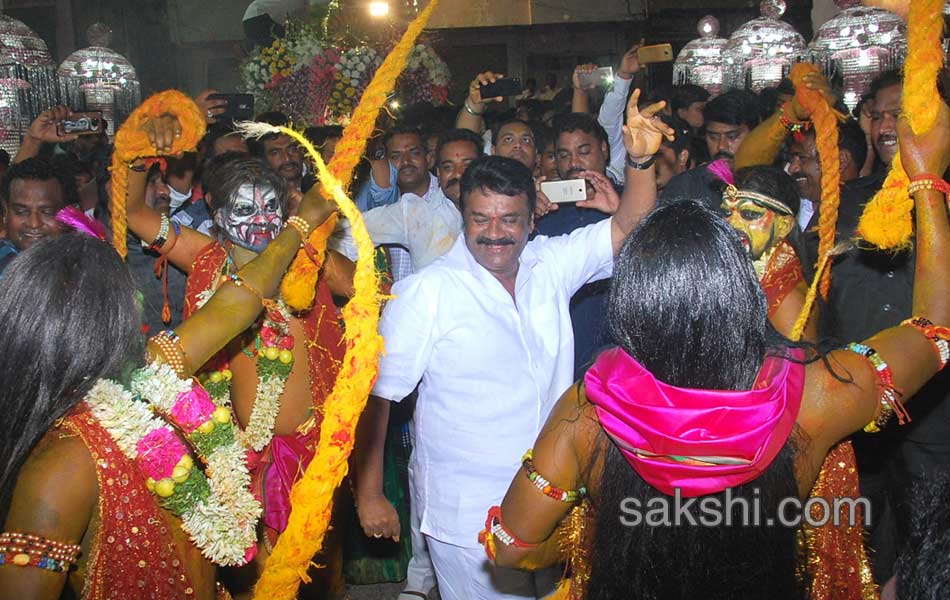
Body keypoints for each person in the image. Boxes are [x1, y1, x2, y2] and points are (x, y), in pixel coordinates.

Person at [483, 91, 950, 600]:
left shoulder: (589, 409)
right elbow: (936, 331)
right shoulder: (812, 399)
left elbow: (510, 546)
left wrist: (596, 535)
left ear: (632, 299)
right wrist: (926, 179)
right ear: (743, 289)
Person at [354, 90, 672, 600]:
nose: (495, 234)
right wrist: (369, 494)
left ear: (532, 216)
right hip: (466, 514)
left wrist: (639, 160)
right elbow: (378, 398)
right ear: (463, 217)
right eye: (481, 219)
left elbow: (629, 224)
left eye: (509, 220)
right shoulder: (428, 293)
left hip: (552, 496)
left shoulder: (550, 263)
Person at [0, 177, 337, 597]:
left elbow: (239, 302)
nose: (137, 303)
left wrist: (300, 225)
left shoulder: (149, 374)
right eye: (125, 297)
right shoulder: (58, 465)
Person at [123, 114, 353, 597]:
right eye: (244, 210)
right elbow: (137, 216)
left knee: (319, 578)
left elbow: (371, 285)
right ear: (219, 217)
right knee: (250, 580)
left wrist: (317, 239)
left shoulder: (308, 259)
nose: (262, 220)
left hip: (316, 453)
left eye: (271, 207)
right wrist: (140, 156)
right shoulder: (208, 258)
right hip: (240, 460)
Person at [660, 89, 761, 211]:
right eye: (713, 137)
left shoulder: (771, 184)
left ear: (755, 135)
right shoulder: (686, 187)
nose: (721, 146)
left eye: (732, 137)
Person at [0, 158, 73, 275]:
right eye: (21, 211)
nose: (34, 223)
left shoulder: (82, 264)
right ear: (5, 211)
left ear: (70, 214)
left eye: (47, 212)